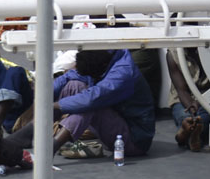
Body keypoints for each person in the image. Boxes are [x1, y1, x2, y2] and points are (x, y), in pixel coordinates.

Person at [10, 49, 155, 159]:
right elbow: (70, 76)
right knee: (73, 85)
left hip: (132, 140)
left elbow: (91, 99)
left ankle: (51, 147)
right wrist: (45, 96)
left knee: (90, 105)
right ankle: (31, 131)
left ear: (103, 67)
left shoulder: (122, 74)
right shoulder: (101, 55)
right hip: (113, 126)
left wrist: (54, 106)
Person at [166, 48, 210, 151]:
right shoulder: (173, 54)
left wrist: (200, 101)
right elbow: (181, 90)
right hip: (183, 98)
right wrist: (191, 106)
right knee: (185, 116)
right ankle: (193, 134)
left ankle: (182, 136)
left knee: (205, 114)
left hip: (208, 94)